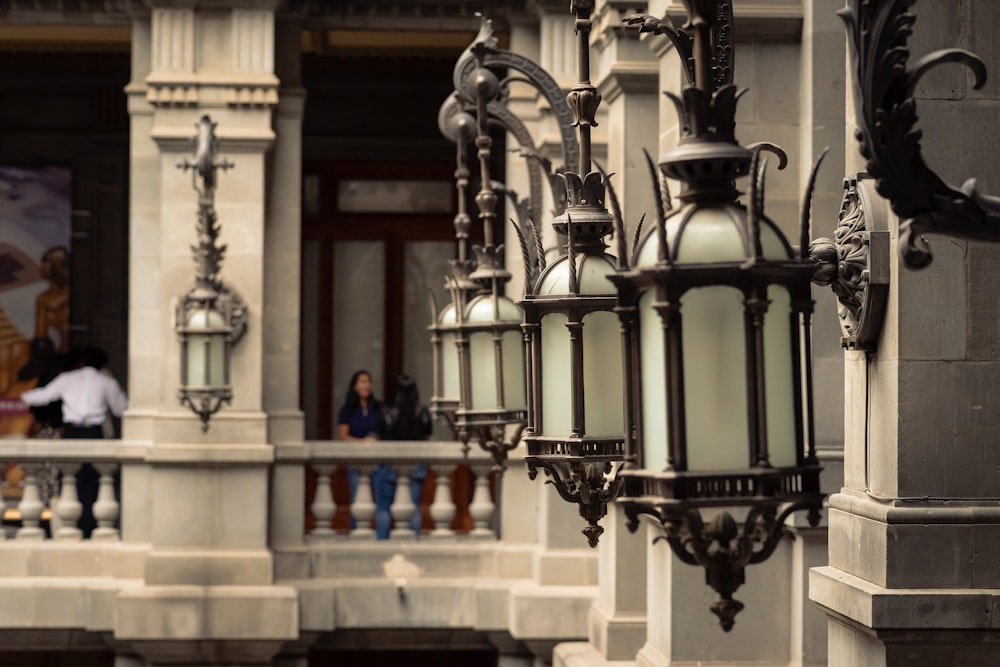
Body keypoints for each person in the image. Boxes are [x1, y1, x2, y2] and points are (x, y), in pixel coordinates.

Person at [20, 346, 126, 537]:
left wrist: (19, 397)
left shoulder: (67, 379)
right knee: (92, 482)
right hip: (95, 434)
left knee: (70, 478)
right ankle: (89, 527)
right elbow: (120, 409)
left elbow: (41, 397)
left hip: (72, 433)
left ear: (83, 361)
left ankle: (70, 525)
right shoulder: (107, 382)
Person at [381, 374, 433, 534]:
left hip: (391, 462)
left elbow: (382, 435)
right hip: (415, 463)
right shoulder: (422, 413)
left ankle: (382, 541)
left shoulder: (388, 414)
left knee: (384, 506)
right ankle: (413, 540)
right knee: (413, 505)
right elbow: (427, 434)